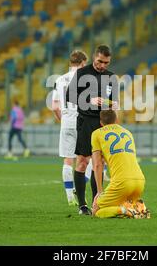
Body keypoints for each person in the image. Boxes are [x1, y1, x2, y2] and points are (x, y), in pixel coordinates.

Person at [66, 44, 119, 215]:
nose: (102, 65)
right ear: (94, 57)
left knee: (100, 165)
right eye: (100, 61)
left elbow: (114, 101)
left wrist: (115, 105)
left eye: (106, 62)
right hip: (86, 122)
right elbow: (69, 96)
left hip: (103, 125)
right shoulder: (82, 73)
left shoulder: (112, 78)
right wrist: (89, 99)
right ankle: (82, 205)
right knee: (83, 162)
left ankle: (98, 202)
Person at [51, 50, 93, 206]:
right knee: (88, 158)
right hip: (82, 120)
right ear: (82, 63)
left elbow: (55, 106)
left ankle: (70, 196)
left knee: (68, 160)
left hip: (66, 121)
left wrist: (63, 120)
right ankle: (80, 185)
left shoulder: (60, 80)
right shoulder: (87, 78)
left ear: (70, 63)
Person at [91, 110, 150, 219]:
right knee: (116, 205)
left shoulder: (97, 134)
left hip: (122, 183)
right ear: (116, 119)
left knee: (96, 210)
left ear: (101, 122)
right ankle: (137, 207)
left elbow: (98, 164)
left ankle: (125, 209)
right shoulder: (128, 132)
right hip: (140, 181)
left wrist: (99, 191)